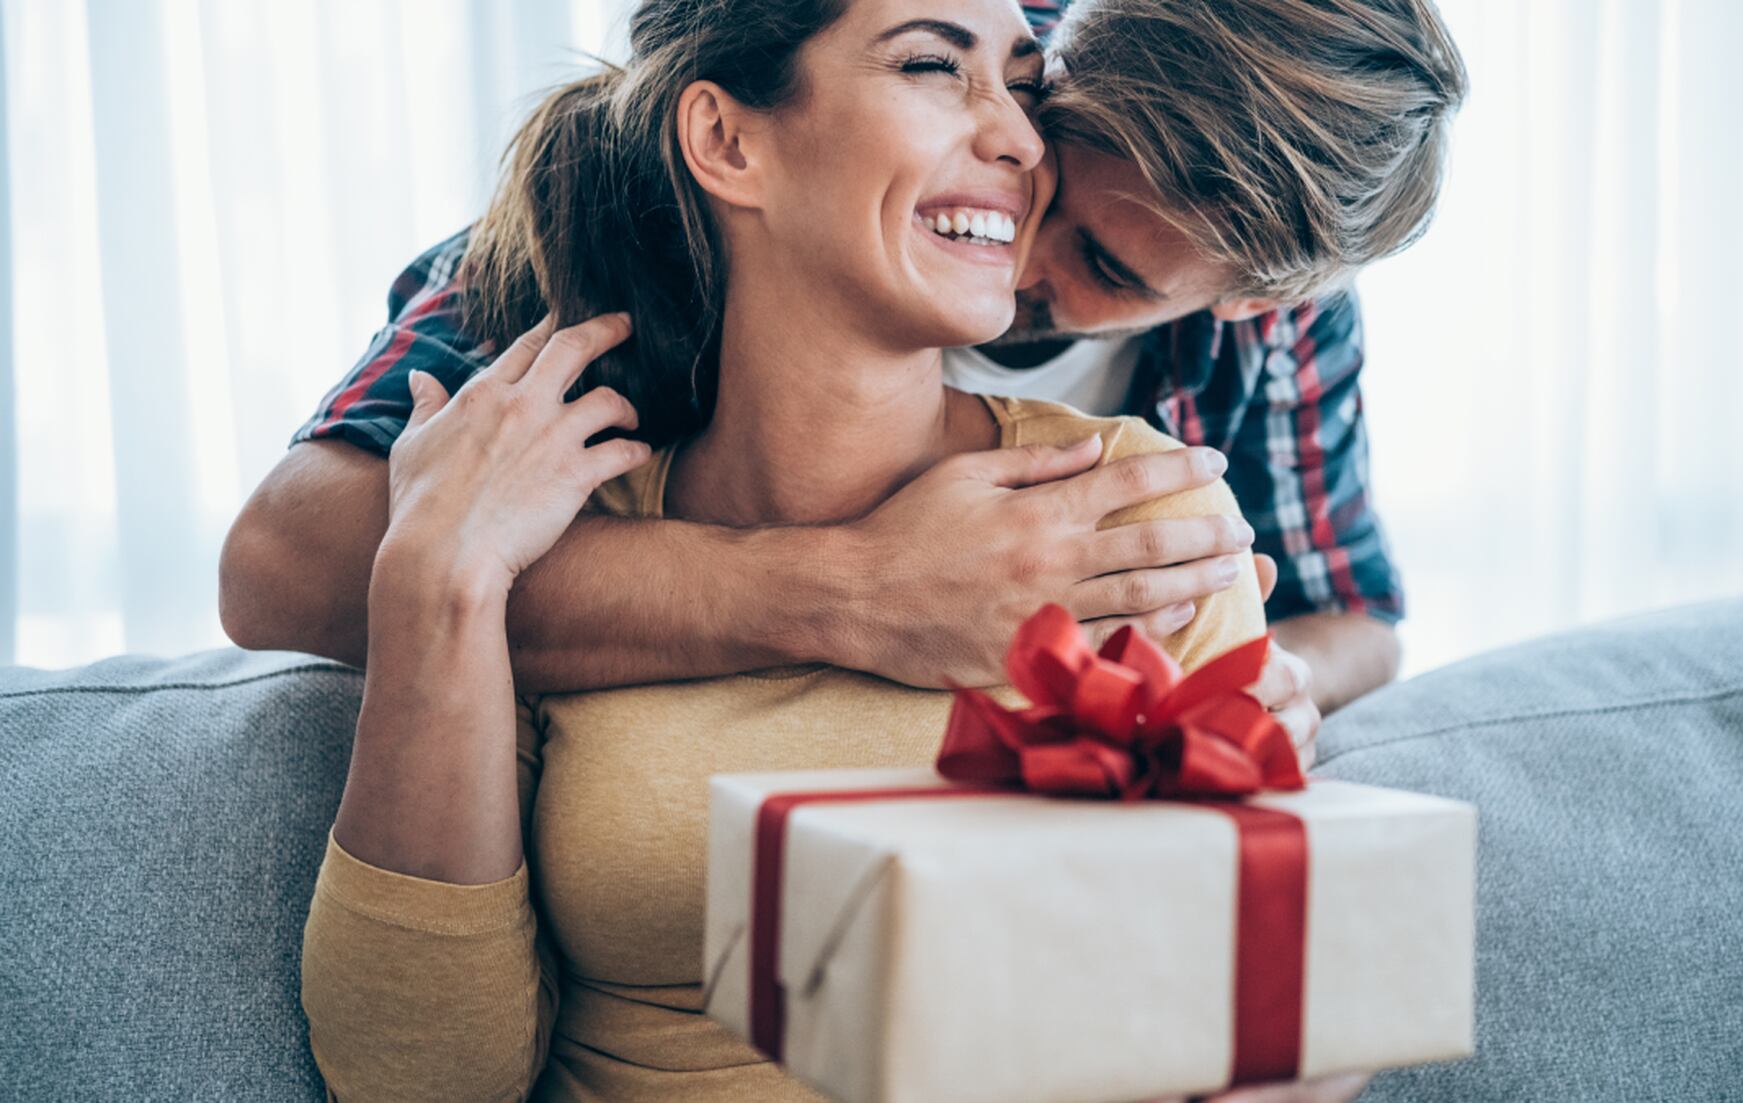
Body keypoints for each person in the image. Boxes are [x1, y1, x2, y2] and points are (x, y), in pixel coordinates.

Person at [298, 1, 1375, 1099]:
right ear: (726, 141)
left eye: (1020, 83)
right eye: (929, 66)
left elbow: (1275, 1016)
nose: (1024, 141)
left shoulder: (1139, 516)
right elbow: (421, 1079)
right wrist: (443, 576)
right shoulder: (552, 509)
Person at [218, 0, 1467, 761]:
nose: (1014, 221)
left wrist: (1260, 677)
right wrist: (856, 590)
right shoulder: (821, 122)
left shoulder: (1268, 324)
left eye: (1101, 261)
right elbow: (286, 559)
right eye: (1041, 127)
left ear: (1254, 298)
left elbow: (1355, 611)